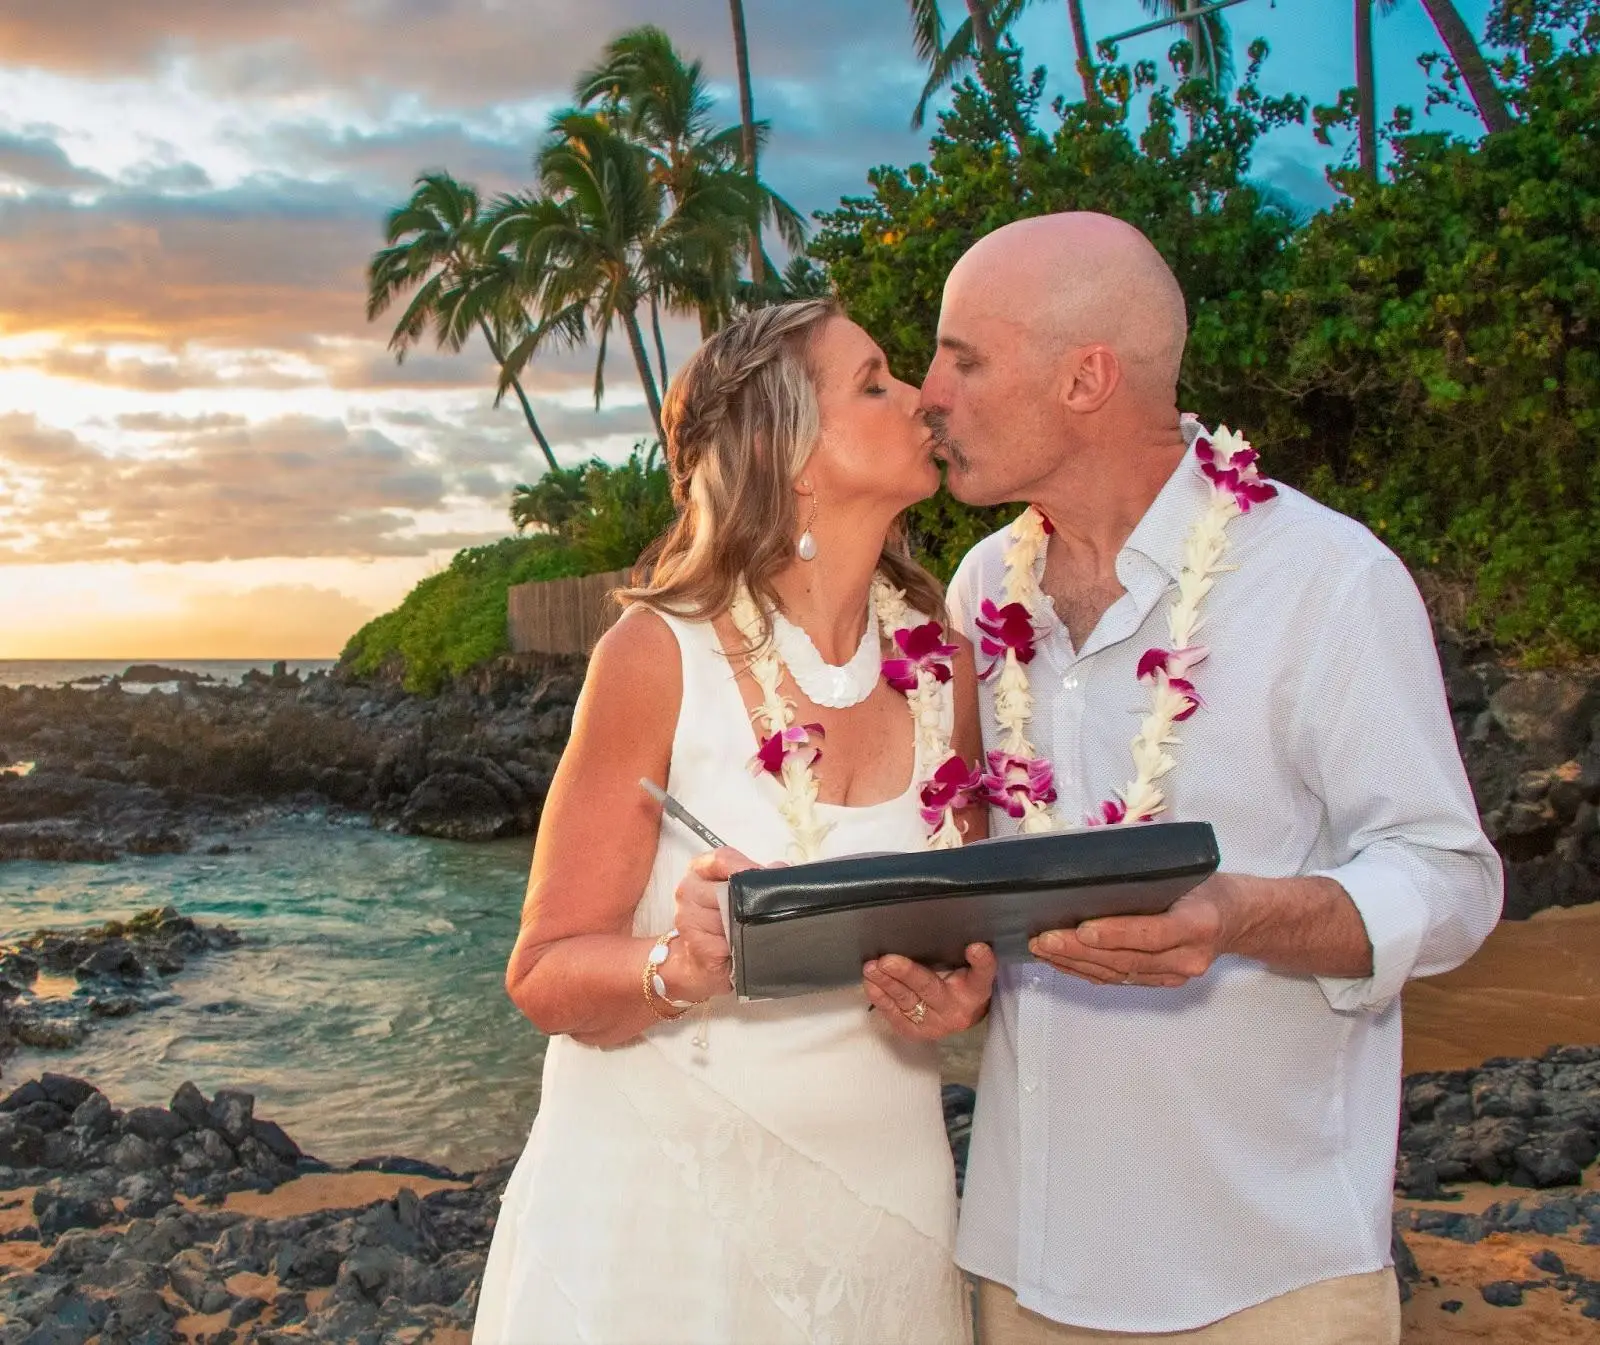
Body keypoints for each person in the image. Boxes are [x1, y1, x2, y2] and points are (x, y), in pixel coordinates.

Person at [869, 213, 1503, 1344]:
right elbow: (970, 873)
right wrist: (956, 970)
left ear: (1086, 378)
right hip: (1024, 1263)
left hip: (1270, 1272)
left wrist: (1240, 914)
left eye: (963, 359)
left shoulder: (1326, 580)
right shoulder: (979, 588)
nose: (929, 394)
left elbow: (1452, 880)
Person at [472, 297, 994, 1345]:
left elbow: (967, 933)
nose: (919, 398)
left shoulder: (947, 668)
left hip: (881, 1213)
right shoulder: (656, 655)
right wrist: (679, 964)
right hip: (665, 1226)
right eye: (875, 382)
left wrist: (964, 994)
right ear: (788, 453)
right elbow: (544, 971)